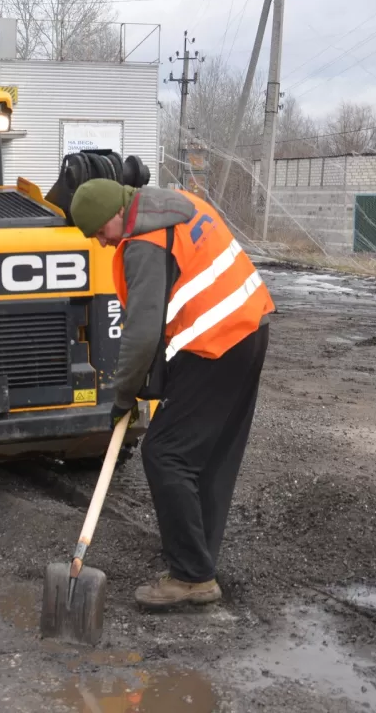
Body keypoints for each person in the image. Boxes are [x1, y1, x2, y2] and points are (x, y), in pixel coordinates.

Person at [69, 178, 275, 610]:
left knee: (166, 452)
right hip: (249, 329)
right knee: (210, 457)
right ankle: (200, 559)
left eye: (99, 233)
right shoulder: (175, 204)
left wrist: (123, 396)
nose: (103, 243)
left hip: (215, 345)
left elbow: (141, 335)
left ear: (112, 215)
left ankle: (191, 577)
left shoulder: (143, 243)